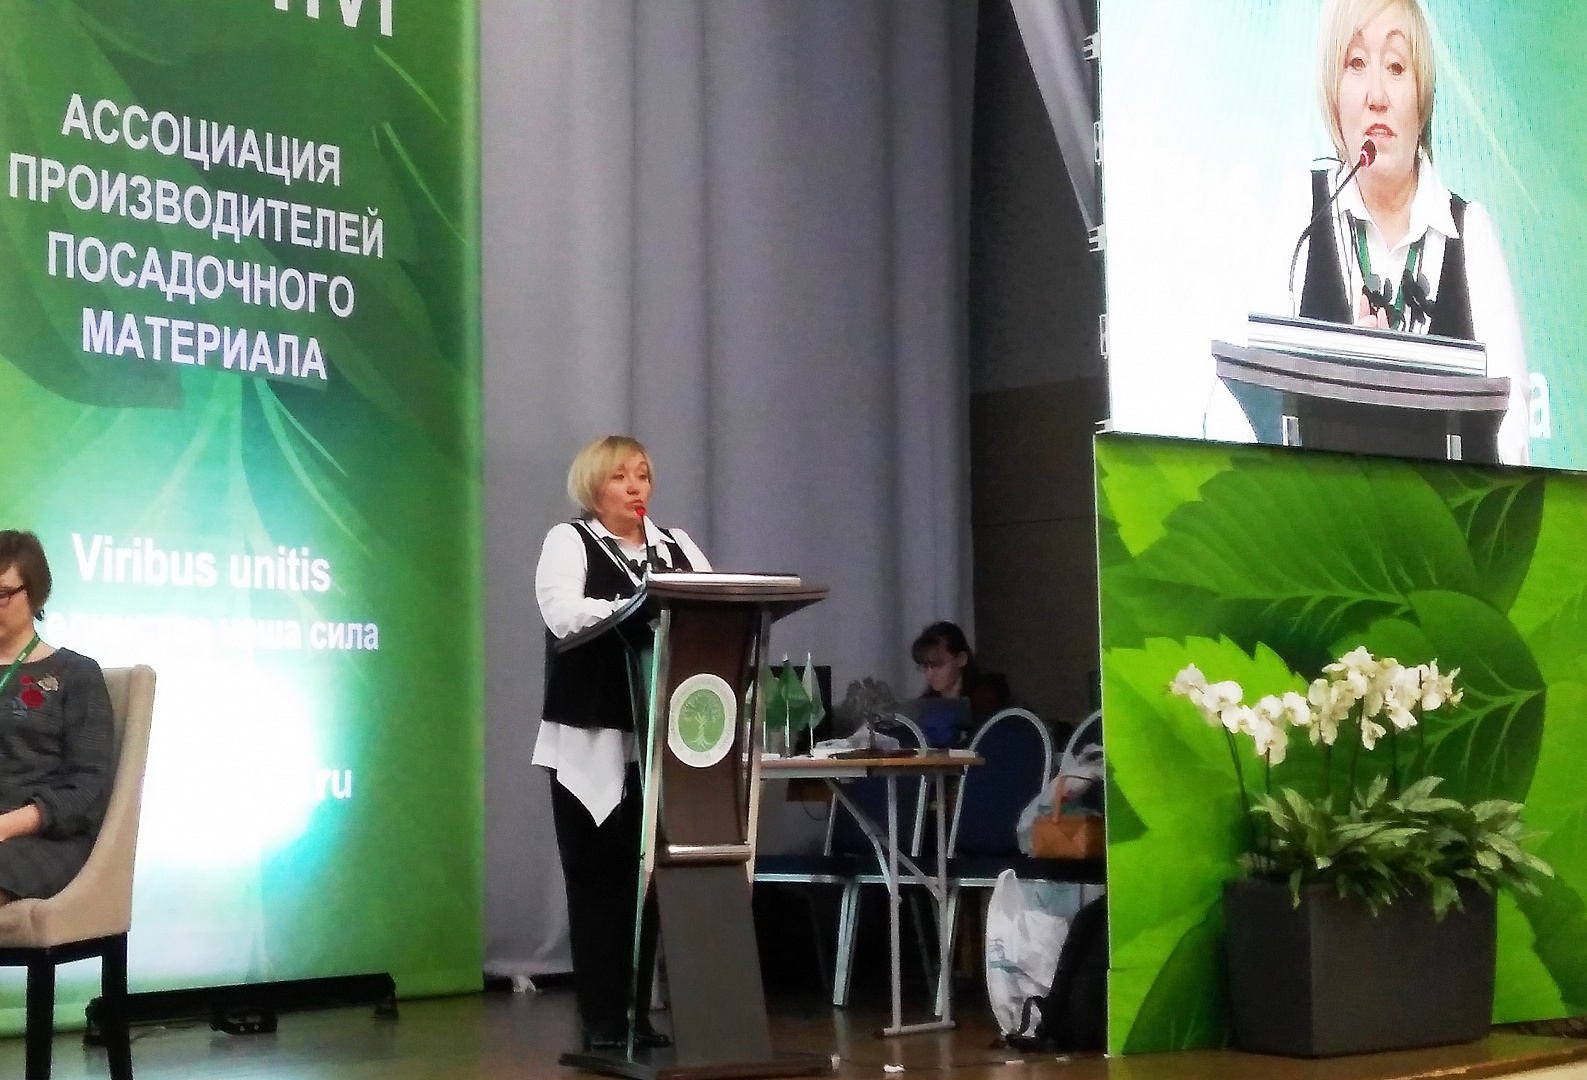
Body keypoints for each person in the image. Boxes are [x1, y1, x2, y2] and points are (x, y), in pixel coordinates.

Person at [1225, 0, 1530, 464]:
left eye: (1395, 66)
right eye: (1355, 63)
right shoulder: (1301, 216)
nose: (1376, 95)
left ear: (1422, 96)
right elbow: (1235, 421)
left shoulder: (1472, 236)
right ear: (1332, 92)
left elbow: (1513, 448)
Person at [533, 436, 709, 1053]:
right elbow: (563, 615)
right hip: (592, 739)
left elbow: (713, 607)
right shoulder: (569, 541)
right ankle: (602, 1020)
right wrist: (637, 606)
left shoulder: (676, 545)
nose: (636, 488)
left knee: (649, 885)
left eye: (643, 476)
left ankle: (638, 1015)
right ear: (593, 486)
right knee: (598, 882)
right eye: (620, 477)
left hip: (666, 743)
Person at [0, 530, 115, 904]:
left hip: (43, 838)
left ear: (35, 594)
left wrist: (7, 825)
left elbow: (87, 786)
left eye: (1, 594)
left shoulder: (76, 674)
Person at [911, 621, 1009, 725]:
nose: (929, 674)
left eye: (939, 665)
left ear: (961, 659)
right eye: (925, 666)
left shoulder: (988, 701)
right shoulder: (924, 707)